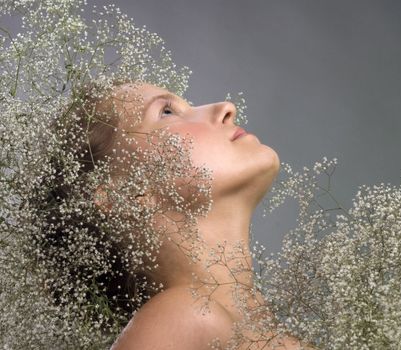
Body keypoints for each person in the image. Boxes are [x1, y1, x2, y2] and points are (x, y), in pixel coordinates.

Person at [71, 81, 310, 349]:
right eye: (167, 112)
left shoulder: (250, 329)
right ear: (125, 195)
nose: (226, 107)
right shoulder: (188, 316)